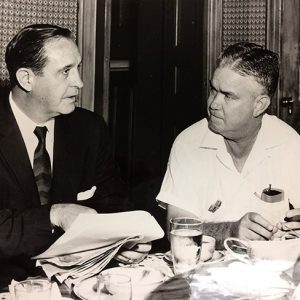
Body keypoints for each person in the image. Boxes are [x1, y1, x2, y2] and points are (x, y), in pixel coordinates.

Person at [0, 24, 150, 288]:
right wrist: (53, 214)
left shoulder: (89, 129)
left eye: (78, 68)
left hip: (76, 283)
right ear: (26, 79)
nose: (79, 82)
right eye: (65, 71)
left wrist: (122, 241)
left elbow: (112, 201)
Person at [156, 42, 300, 249]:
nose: (214, 104)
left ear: (259, 105)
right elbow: (177, 232)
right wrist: (230, 232)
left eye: (228, 96)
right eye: (213, 90)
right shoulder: (189, 144)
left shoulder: (289, 144)